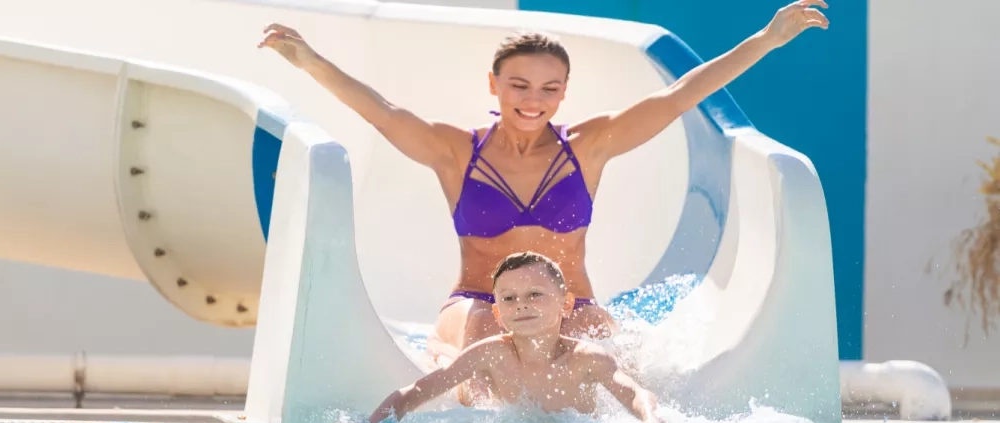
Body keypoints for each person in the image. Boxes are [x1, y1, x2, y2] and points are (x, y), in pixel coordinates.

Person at [259, 0, 828, 395]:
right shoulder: (455, 152)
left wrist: (767, 39)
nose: (534, 100)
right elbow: (382, 112)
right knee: (487, 337)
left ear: (564, 93)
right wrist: (309, 60)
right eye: (520, 85)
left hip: (571, 305)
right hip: (477, 303)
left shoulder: (589, 147)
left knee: (605, 347)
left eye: (549, 89)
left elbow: (682, 94)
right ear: (494, 85)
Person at [366, 251, 664, 423]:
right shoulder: (491, 353)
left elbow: (635, 393)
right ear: (497, 313)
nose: (521, 305)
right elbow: (417, 391)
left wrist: (650, 420)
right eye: (509, 298)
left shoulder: (587, 358)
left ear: (566, 304)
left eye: (535, 294)